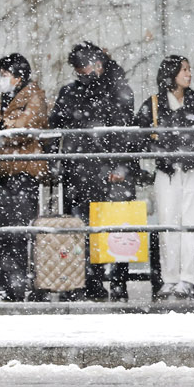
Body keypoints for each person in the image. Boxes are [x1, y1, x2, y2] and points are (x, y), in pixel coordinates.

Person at [49, 42, 136, 302]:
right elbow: (56, 125)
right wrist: (55, 160)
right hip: (80, 170)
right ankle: (90, 281)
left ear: (98, 64)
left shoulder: (118, 89)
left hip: (108, 170)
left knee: (117, 228)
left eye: (84, 67)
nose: (82, 73)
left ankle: (117, 283)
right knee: (85, 229)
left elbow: (125, 132)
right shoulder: (72, 92)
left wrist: (118, 165)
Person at [138, 55, 194, 299]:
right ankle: (170, 277)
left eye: (189, 69)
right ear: (171, 74)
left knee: (193, 223)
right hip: (167, 171)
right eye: (183, 70)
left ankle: (190, 278)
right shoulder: (153, 104)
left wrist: (190, 153)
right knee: (168, 223)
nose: (189, 74)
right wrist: (164, 153)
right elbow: (140, 136)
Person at [0, 53, 49, 301]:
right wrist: (3, 125)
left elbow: (23, 128)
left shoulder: (34, 96)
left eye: (5, 75)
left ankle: (21, 286)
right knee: (6, 232)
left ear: (18, 77)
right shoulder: (5, 99)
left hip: (23, 172)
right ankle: (10, 285)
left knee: (19, 232)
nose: (2, 80)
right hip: (5, 173)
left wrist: (3, 127)